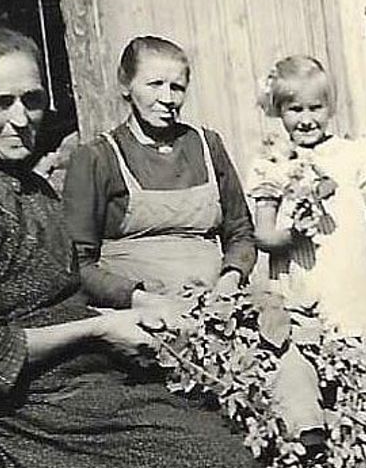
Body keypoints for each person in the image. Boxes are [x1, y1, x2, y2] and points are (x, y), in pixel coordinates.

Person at [0, 26, 303, 468]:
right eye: (0, 104)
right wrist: (100, 327)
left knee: (234, 421)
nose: (21, 119)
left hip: (83, 384)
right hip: (26, 415)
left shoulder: (29, 186)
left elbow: (71, 277)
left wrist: (143, 303)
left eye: (33, 100)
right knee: (225, 465)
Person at [247, 55, 366, 437]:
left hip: (352, 279)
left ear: (331, 107)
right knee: (308, 359)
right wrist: (290, 234)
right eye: (295, 109)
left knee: (365, 372)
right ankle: (314, 442)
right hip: (304, 276)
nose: (306, 118)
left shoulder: (353, 155)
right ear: (279, 111)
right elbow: (262, 234)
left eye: (316, 107)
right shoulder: (273, 161)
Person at [63, 36, 255, 311]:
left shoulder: (207, 145)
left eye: (177, 87)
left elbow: (241, 232)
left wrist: (230, 280)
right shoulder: (97, 157)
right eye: (154, 85)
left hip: (217, 306)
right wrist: (141, 299)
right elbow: (77, 264)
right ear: (126, 85)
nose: (167, 99)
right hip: (137, 315)